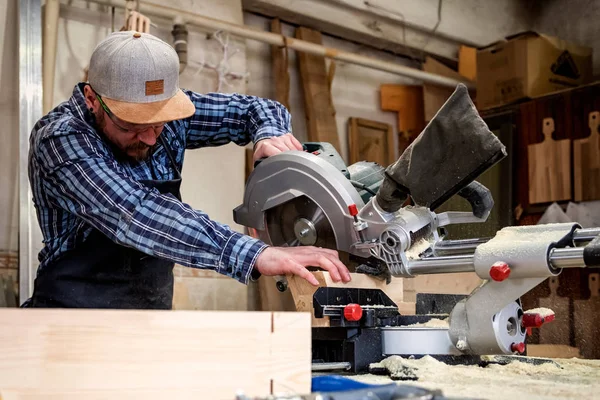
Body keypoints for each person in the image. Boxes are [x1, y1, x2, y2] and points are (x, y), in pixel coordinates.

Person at [23, 31, 351, 309]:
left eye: (161, 122)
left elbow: (260, 108)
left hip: (148, 317)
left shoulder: (173, 116)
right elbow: (137, 214)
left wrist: (268, 135)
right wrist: (254, 253)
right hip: (69, 316)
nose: (151, 136)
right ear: (93, 99)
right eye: (133, 124)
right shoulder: (60, 138)